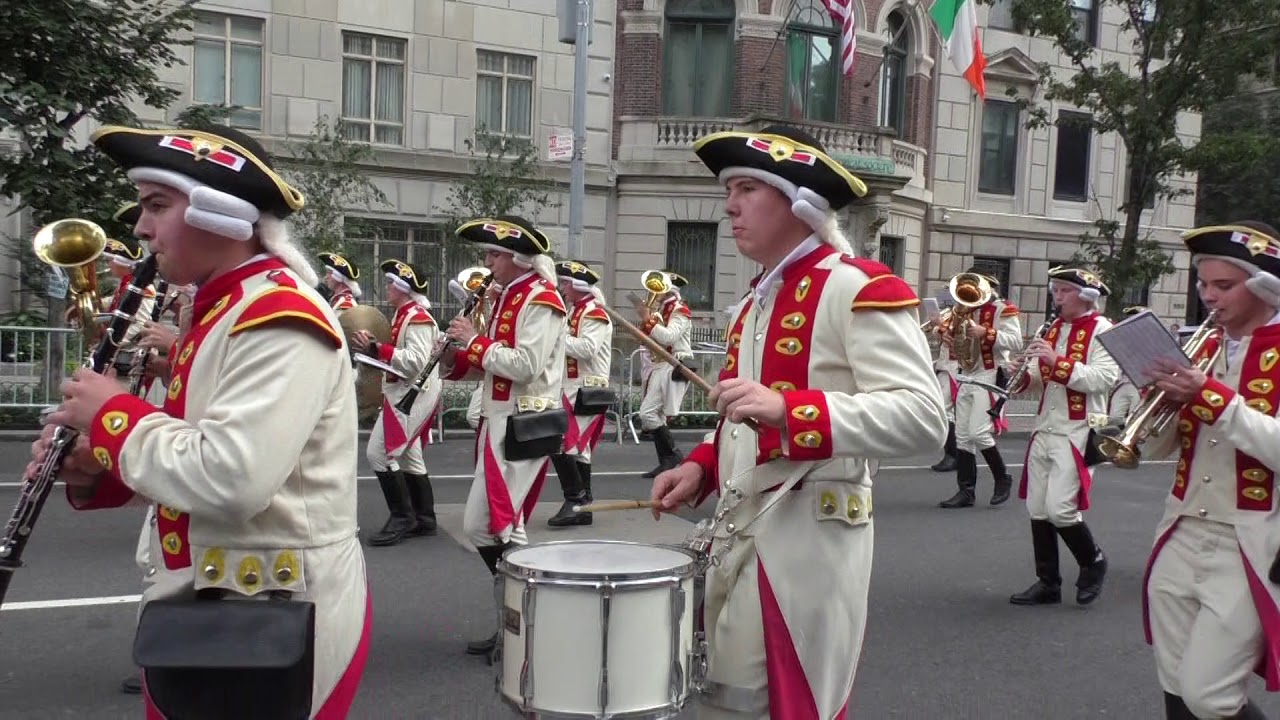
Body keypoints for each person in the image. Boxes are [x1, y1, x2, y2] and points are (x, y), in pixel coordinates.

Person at [29, 123, 369, 717]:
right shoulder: (226, 304)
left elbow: (232, 478)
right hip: (220, 609)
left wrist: (111, 416)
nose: (140, 228)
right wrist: (98, 465)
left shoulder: (278, 315)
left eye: (158, 205)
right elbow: (201, 449)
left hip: (270, 614)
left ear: (222, 213)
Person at [649, 124, 948, 718]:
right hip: (743, 527)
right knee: (725, 699)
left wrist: (793, 409)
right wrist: (703, 466)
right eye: (727, 190)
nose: (729, 205)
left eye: (746, 188)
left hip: (809, 542)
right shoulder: (755, 301)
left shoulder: (860, 289)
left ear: (799, 201)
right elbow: (741, 414)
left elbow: (923, 418)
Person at [1141, 221, 1280, 720]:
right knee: (1175, 683)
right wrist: (1153, 404)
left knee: (1210, 696)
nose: (1208, 298)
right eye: (1203, 284)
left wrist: (1212, 398)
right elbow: (1158, 448)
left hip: (1250, 541)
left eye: (1224, 286)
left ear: (1265, 285)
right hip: (1181, 526)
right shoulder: (1201, 348)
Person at [440, 215, 566, 661]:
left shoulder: (543, 299)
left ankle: (524, 625)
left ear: (517, 257)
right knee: (488, 526)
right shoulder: (506, 296)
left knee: (496, 524)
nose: (487, 263)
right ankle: (515, 619)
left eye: (493, 254)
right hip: (498, 420)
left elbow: (525, 366)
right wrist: (459, 351)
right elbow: (492, 363)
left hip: (522, 426)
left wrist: (474, 341)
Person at [1007, 266, 1119, 607]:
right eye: (1055, 290)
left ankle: (1094, 561)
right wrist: (1021, 375)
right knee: (1038, 507)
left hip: (1079, 428)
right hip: (1046, 425)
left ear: (1085, 296)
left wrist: (1058, 362)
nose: (1056, 297)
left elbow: (1103, 378)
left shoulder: (1103, 330)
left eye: (1064, 291)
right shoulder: (1053, 328)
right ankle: (1048, 582)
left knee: (1061, 508)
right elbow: (1039, 379)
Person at [350, 259, 441, 547]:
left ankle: (402, 517)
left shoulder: (417, 318)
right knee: (410, 456)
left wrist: (378, 348)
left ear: (403, 288)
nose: (387, 288)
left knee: (379, 454)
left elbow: (416, 361)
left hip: (411, 396)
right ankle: (424, 518)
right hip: (403, 393)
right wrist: (375, 350)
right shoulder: (405, 315)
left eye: (391, 283)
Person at [937, 269, 1022, 508]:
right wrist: (945, 335)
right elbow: (949, 331)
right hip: (967, 374)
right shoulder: (964, 309)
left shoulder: (1003, 309)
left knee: (978, 433)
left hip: (991, 374)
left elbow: (1015, 341)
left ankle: (1002, 477)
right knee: (963, 436)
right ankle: (966, 491)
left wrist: (987, 333)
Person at [546, 260, 614, 527]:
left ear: (578, 285)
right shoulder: (576, 311)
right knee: (579, 449)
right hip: (574, 388)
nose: (562, 288)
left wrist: (553, 336)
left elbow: (587, 349)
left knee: (561, 443)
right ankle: (583, 506)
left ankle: (576, 500)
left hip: (588, 388)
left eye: (565, 282)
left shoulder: (595, 313)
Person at [1105, 305, 1147, 430]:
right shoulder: (1122, 340)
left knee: (1136, 421)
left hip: (1141, 387)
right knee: (1114, 418)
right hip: (1122, 383)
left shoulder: (1151, 340)